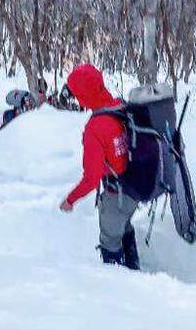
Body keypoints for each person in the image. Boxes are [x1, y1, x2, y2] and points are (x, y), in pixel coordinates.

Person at [57, 64, 138, 270]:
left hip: (115, 195)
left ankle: (120, 287)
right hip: (132, 188)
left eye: (76, 93)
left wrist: (70, 200)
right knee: (124, 227)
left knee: (110, 244)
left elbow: (91, 179)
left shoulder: (96, 127)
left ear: (83, 94)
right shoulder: (119, 106)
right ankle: (134, 269)